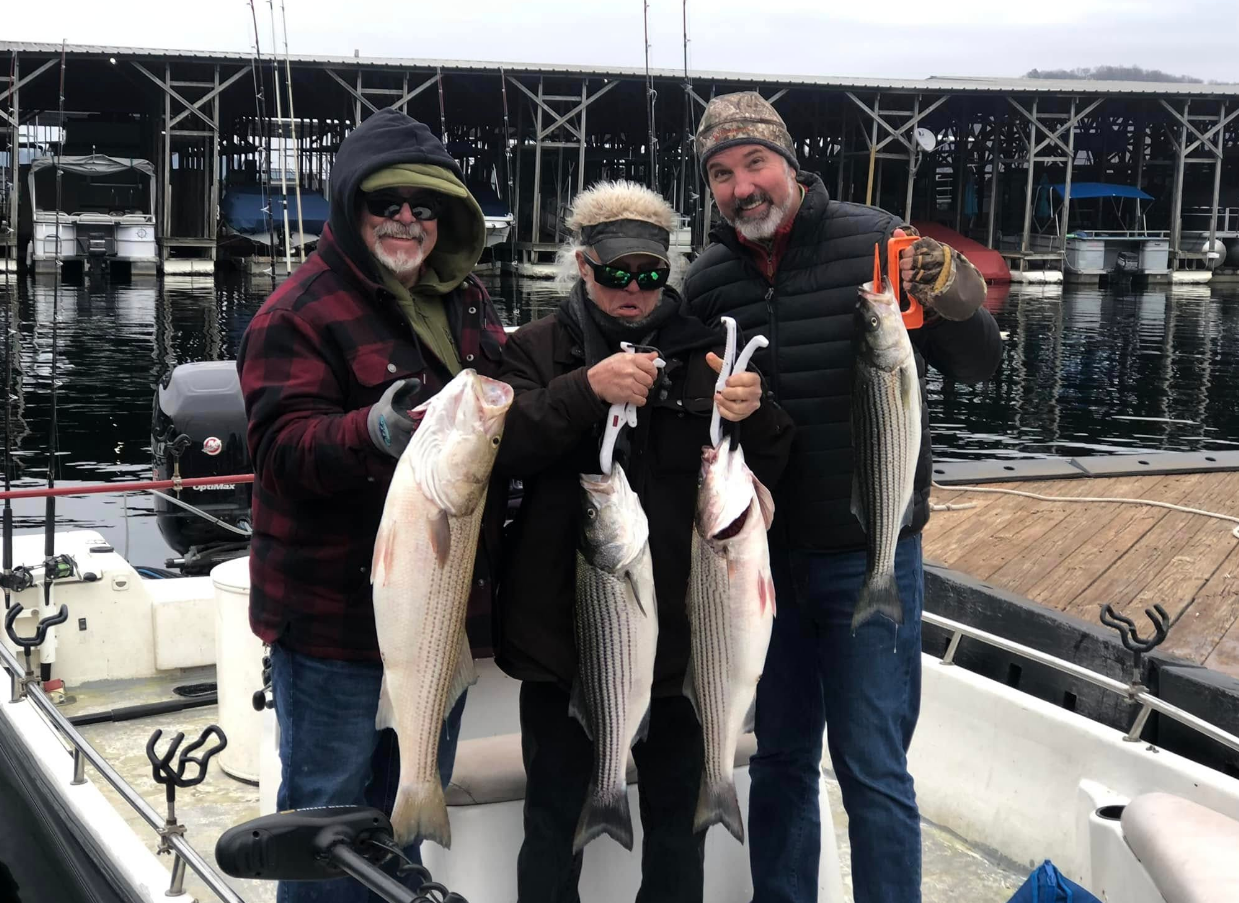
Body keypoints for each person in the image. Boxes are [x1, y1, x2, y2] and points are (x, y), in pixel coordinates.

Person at [682, 92, 1003, 903]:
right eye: (720, 173)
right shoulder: (708, 277)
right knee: (783, 758)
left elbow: (977, 364)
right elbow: (688, 414)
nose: (740, 186)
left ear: (789, 164)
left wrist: (957, 294)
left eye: (754, 162)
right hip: (765, 561)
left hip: (873, 551)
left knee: (872, 766)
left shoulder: (878, 241)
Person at [494, 179, 795, 903]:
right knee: (551, 823)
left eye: (649, 274)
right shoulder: (535, 350)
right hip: (561, 644)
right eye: (616, 273)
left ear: (669, 270)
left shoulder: (706, 353)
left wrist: (756, 412)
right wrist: (585, 389)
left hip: (687, 645)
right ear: (582, 265)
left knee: (676, 833)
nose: (633, 289)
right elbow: (498, 447)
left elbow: (773, 466)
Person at [236, 108, 508, 903]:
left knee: (403, 829)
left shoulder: (466, 301)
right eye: (385, 203)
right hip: (327, 623)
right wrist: (373, 430)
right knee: (326, 827)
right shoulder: (297, 311)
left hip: (437, 612)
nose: (405, 220)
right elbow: (281, 452)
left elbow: (499, 400)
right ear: (351, 209)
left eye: (424, 207)